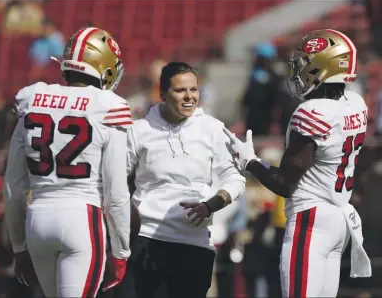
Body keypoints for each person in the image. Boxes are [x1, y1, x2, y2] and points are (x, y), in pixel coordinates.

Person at [225, 29, 372, 297]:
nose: (299, 71)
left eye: (306, 63)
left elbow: (284, 185)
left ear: (323, 66)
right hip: (339, 219)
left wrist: (249, 161)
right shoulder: (356, 104)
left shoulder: (312, 112)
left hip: (311, 220)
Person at [4, 27, 132, 297]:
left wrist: (19, 246)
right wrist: (121, 252)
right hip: (81, 218)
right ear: (104, 67)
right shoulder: (106, 104)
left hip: (37, 218)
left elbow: (13, 188)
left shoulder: (32, 98)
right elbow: (117, 194)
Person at [114, 61, 246, 298]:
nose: (189, 97)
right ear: (162, 93)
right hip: (145, 239)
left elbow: (235, 180)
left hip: (194, 246)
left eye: (193, 90)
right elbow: (115, 178)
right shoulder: (138, 130)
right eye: (180, 90)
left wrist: (210, 205)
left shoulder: (213, 129)